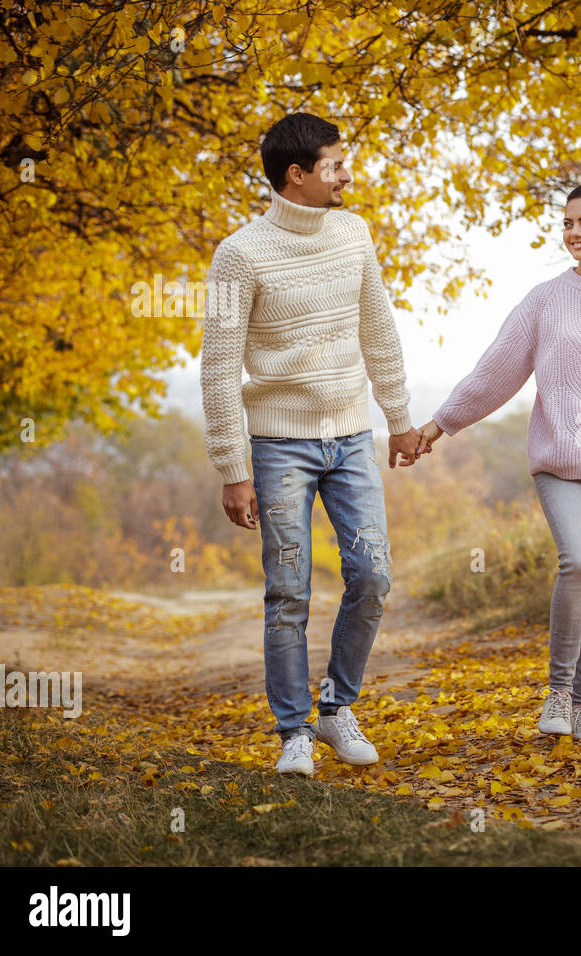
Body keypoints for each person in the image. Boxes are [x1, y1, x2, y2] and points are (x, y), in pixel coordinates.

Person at [416, 182, 581, 741]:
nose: (573, 233)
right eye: (567, 223)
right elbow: (497, 370)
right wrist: (440, 425)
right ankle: (558, 695)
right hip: (560, 457)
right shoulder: (545, 299)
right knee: (579, 563)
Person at [199, 112, 423, 775]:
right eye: (334, 164)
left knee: (374, 573)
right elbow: (217, 369)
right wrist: (232, 468)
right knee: (289, 590)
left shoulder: (353, 233)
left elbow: (379, 329)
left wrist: (400, 417)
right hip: (278, 447)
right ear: (297, 175)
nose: (346, 174)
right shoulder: (239, 253)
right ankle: (293, 730)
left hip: (352, 436)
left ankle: (336, 708)